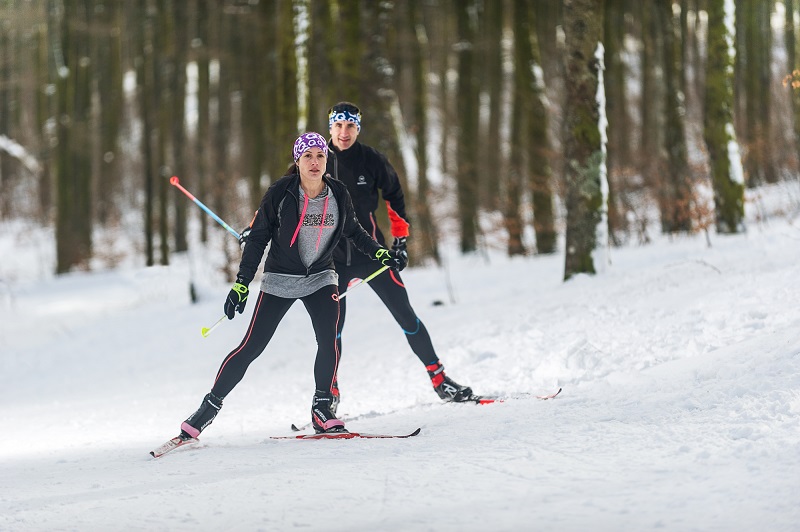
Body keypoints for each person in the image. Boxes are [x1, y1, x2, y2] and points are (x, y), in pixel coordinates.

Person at [178, 132, 407, 439]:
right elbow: (258, 238)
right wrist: (242, 284)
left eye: (320, 156)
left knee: (329, 340)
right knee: (251, 347)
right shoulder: (281, 192)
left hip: (321, 277)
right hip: (281, 279)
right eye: (308, 156)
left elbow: (353, 230)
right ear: (297, 160)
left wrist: (379, 252)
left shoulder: (338, 192)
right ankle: (207, 409)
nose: (315, 162)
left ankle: (322, 408)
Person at [325, 101, 474, 407]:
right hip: (332, 260)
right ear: (331, 127)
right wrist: (255, 229)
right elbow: (283, 198)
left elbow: (395, 197)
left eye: (350, 126)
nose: (344, 132)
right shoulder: (315, 158)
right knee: (331, 329)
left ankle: (440, 380)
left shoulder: (371, 160)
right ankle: (329, 394)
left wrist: (400, 242)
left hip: (373, 255)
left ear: (358, 128)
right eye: (338, 126)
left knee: (406, 315)